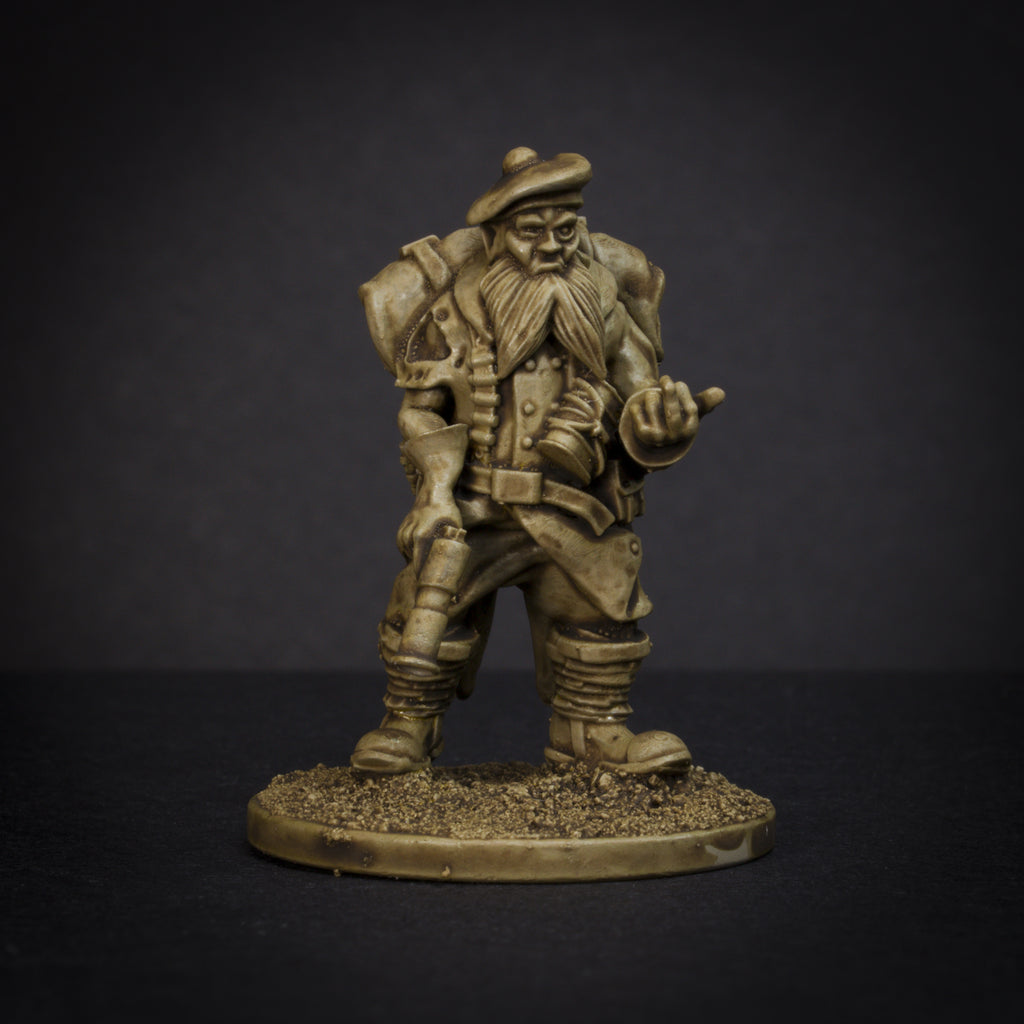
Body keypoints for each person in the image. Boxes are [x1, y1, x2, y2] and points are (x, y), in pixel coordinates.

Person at [351, 147, 724, 775]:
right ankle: (408, 728)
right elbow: (420, 413)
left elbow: (641, 396)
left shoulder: (605, 306)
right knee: (431, 610)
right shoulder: (451, 311)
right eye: (531, 231)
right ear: (497, 235)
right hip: (476, 506)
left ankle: (593, 734)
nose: (551, 246)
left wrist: (662, 424)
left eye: (566, 229)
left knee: (600, 615)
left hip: (576, 507)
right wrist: (436, 493)